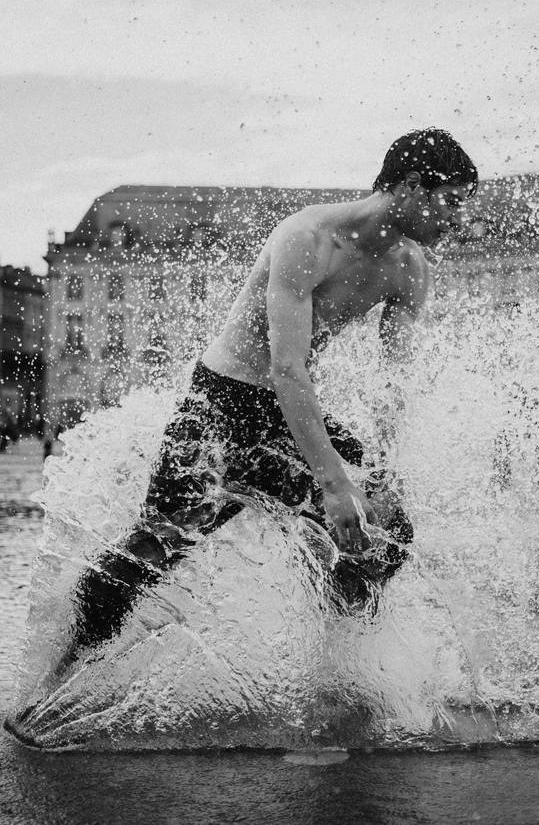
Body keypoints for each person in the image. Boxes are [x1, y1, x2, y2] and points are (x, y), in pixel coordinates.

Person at [57, 127, 478, 671]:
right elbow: (287, 367)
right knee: (155, 548)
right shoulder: (309, 238)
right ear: (416, 188)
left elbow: (393, 382)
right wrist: (333, 480)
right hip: (221, 405)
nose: (459, 219)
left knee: (388, 532)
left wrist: (385, 474)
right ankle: (60, 671)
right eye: (452, 202)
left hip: (283, 414)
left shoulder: (410, 267)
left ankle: (338, 670)